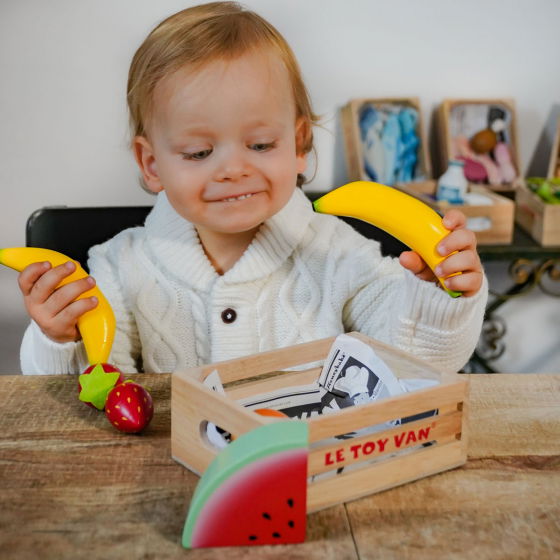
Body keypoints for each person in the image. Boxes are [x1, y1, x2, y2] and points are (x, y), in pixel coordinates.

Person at [19, 1, 487, 375]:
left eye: (261, 144)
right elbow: (98, 389)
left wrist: (437, 295)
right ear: (151, 163)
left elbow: (415, 364)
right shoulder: (119, 267)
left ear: (299, 144)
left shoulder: (340, 253)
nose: (232, 169)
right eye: (199, 153)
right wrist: (60, 340)